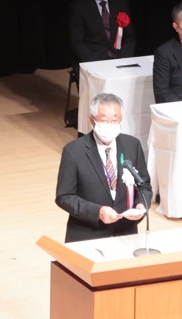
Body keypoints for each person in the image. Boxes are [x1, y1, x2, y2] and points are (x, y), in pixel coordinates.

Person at [54, 94, 152, 242]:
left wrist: (141, 205)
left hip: (125, 233)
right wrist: (97, 212)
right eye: (104, 120)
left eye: (114, 120)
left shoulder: (132, 145)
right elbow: (64, 196)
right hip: (88, 235)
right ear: (92, 120)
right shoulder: (74, 151)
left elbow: (144, 186)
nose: (109, 125)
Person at [67, 0, 134, 64]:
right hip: (93, 60)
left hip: (119, 59)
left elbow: (129, 37)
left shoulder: (120, 2)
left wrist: (124, 58)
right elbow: (76, 42)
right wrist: (99, 63)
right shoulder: (79, 7)